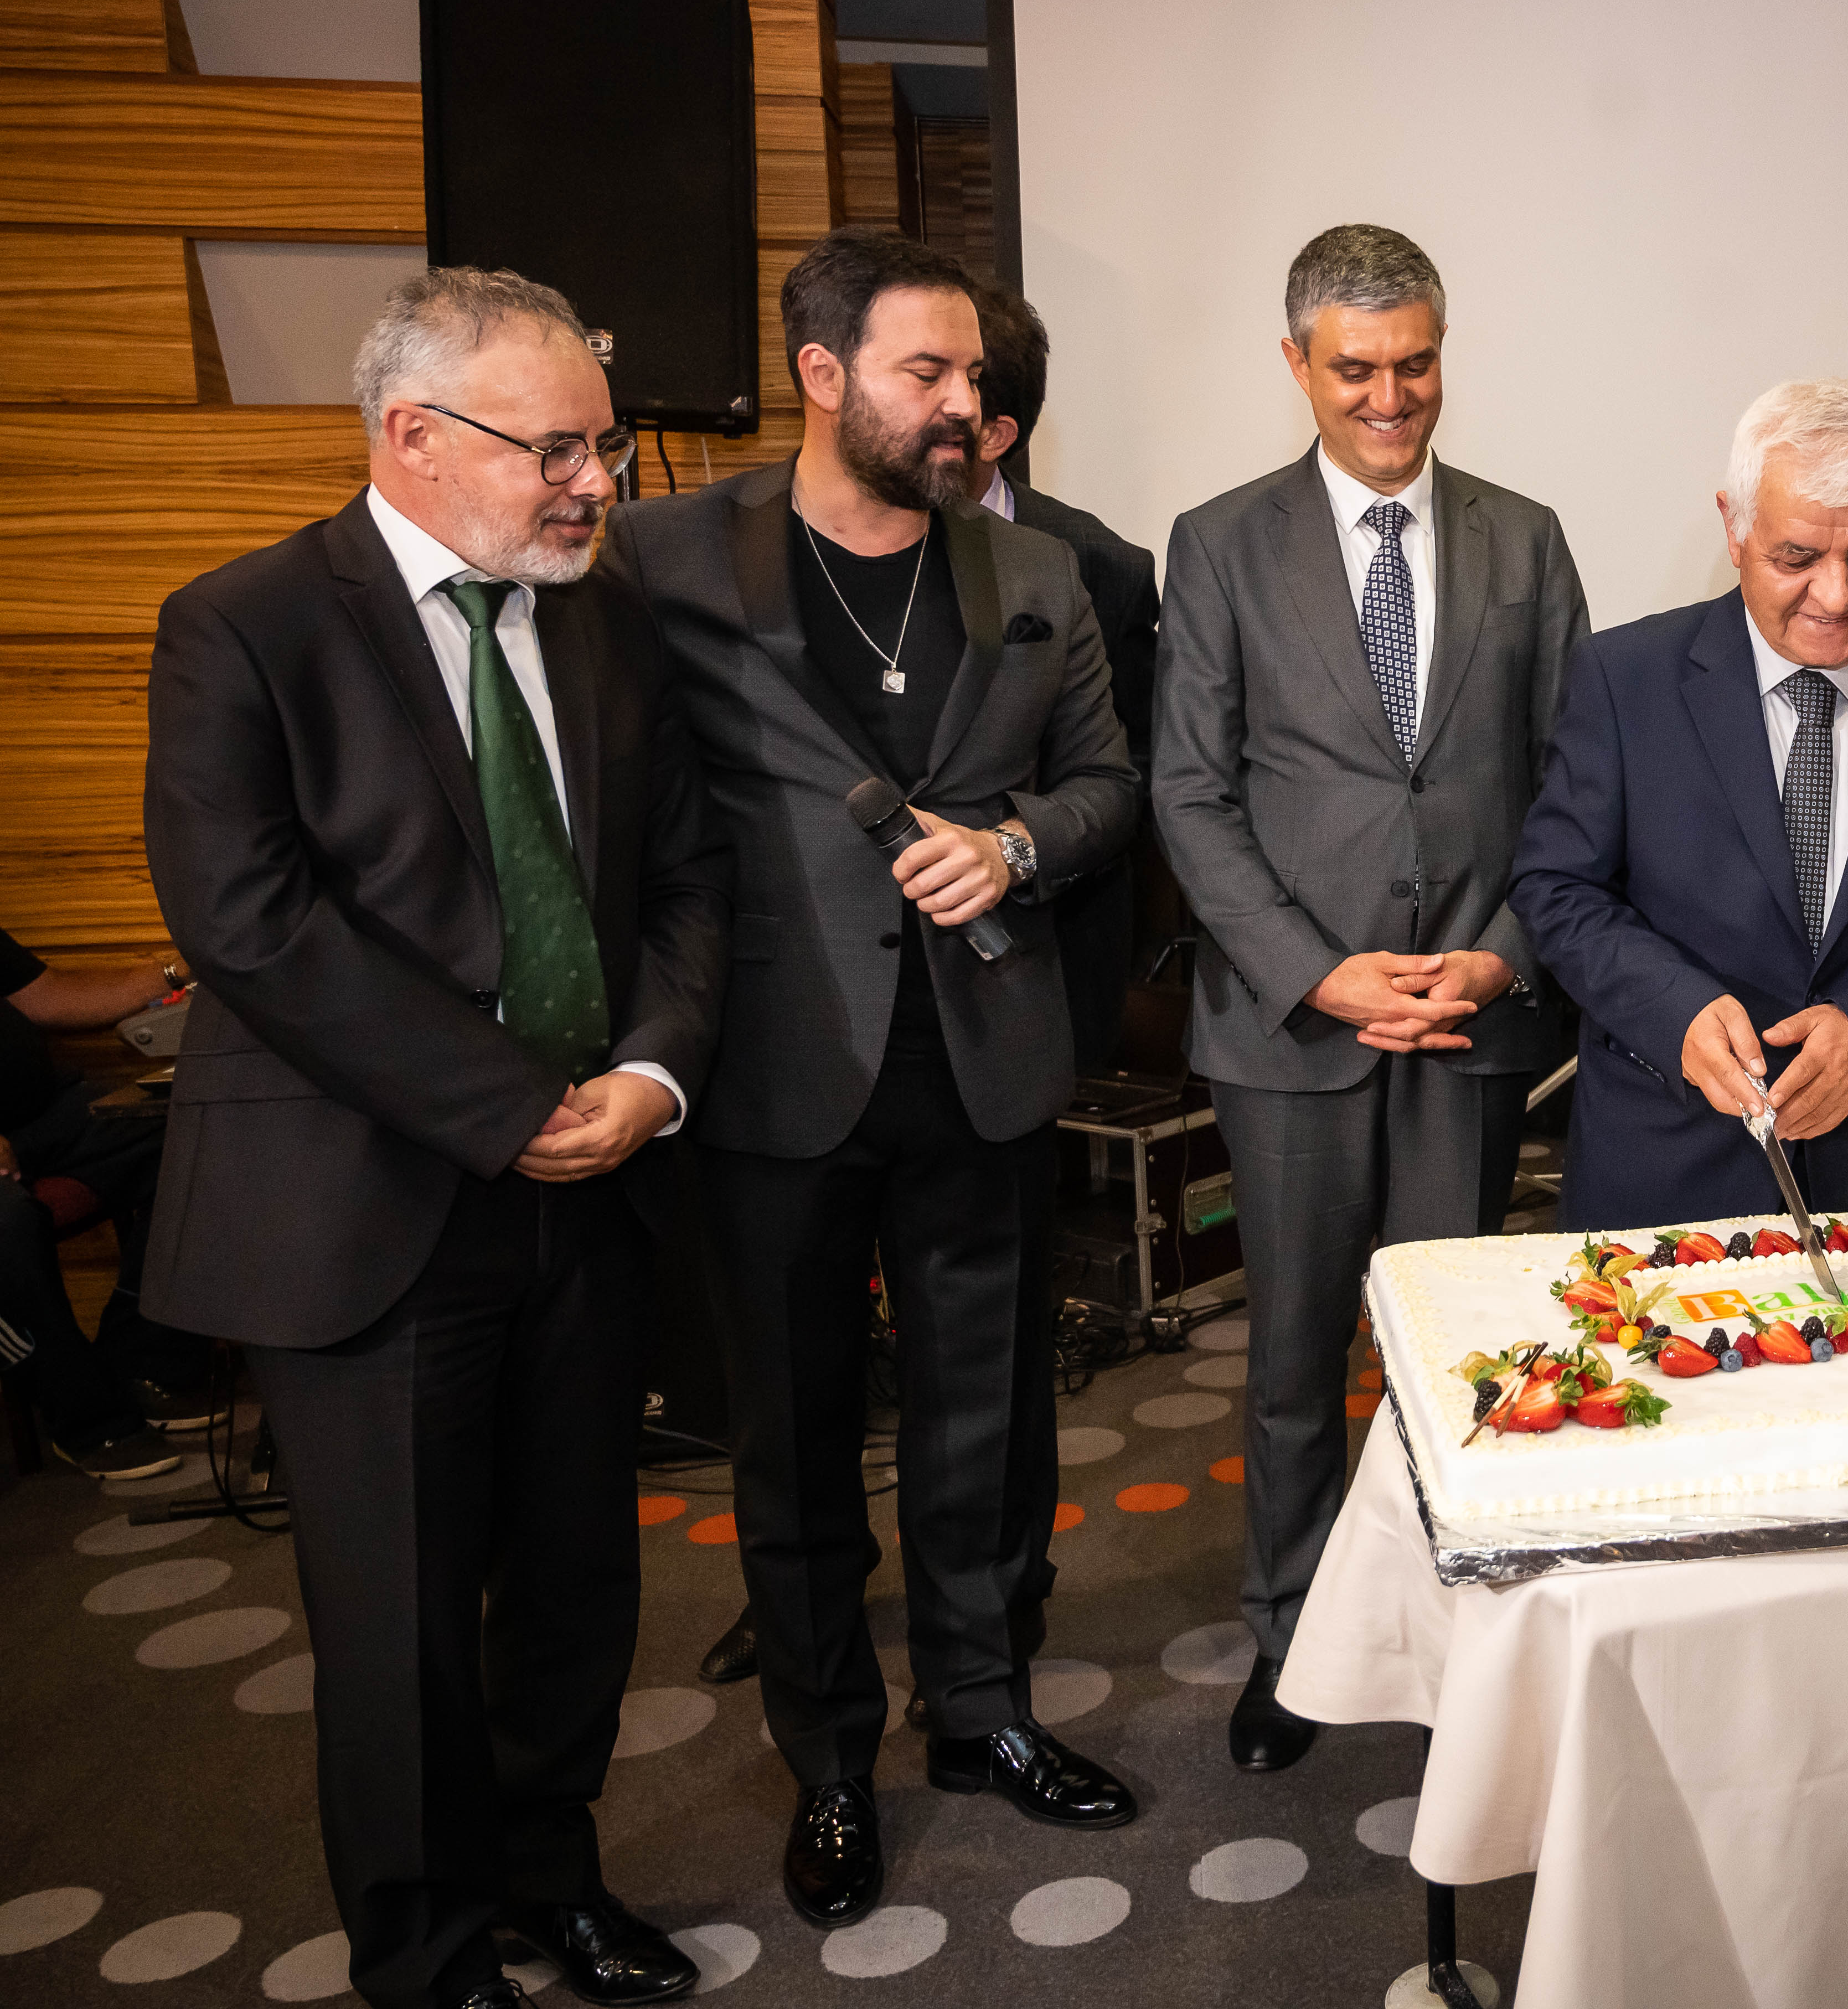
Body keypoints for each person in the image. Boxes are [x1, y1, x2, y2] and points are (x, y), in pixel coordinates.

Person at [140, 267, 729, 2009]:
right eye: (557, 451)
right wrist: (502, 1109)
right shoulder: (245, 625)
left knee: (575, 1585)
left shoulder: (609, 623)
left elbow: (689, 881)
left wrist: (653, 1076)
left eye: (605, 449)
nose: (596, 485)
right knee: (397, 1628)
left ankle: (554, 1877)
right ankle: (431, 1951)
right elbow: (249, 924)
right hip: (367, 1209)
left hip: (594, 1187)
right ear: (412, 436)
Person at [607, 230, 1144, 1928]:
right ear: (822, 375)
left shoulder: (1032, 569)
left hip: (984, 1064)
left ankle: (982, 1715)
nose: (964, 405)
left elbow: (1107, 786)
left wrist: (1013, 844)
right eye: (928, 374)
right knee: (796, 1440)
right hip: (773, 1074)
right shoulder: (667, 558)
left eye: (974, 376)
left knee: (987, 1426)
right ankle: (830, 1759)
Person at [1150, 223, 1590, 1773]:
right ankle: (1292, 1641)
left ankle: (1455, 1625)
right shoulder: (1220, 542)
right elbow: (1190, 794)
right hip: (1295, 1028)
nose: (1391, 397)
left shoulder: (1525, 539)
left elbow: (1575, 786)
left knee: (1457, 1361)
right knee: (1290, 1361)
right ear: (1297, 365)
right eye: (1356, 371)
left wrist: (1502, 953)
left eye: (1416, 364)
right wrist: (1319, 970)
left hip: (1469, 1016)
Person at [1511, 378, 1848, 1230]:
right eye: (1797, 558)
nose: (1836, 596)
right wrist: (1674, 1010)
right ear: (1735, 527)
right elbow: (1557, 888)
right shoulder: (1625, 680)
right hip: (1665, 1170)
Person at [971, 285, 1161, 1072]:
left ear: (995, 433)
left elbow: (1138, 770)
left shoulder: (1099, 564)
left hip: (1047, 963)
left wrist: (1016, 850)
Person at [0, 934, 220, 1479]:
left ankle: (146, 1362)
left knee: (193, 1129)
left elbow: (48, 997)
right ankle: (88, 1420)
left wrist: (183, 965)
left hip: (37, 1116)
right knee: (8, 1224)